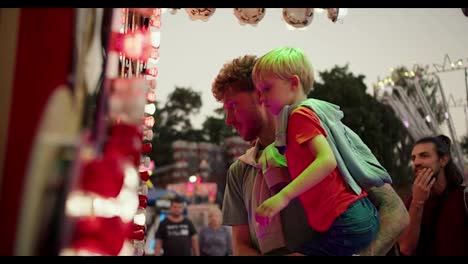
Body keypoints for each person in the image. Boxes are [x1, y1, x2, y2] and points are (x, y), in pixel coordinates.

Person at [212, 53, 409, 256]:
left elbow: (396, 212)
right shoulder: (240, 171)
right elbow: (241, 246)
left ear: (259, 94)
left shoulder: (326, 135)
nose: (228, 119)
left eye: (232, 106)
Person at [398, 135, 468, 256]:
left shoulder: (463, 198)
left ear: (443, 160)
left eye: (424, 156)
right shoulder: (412, 202)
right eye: (413, 158)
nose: (416, 163)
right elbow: (405, 248)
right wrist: (417, 203)